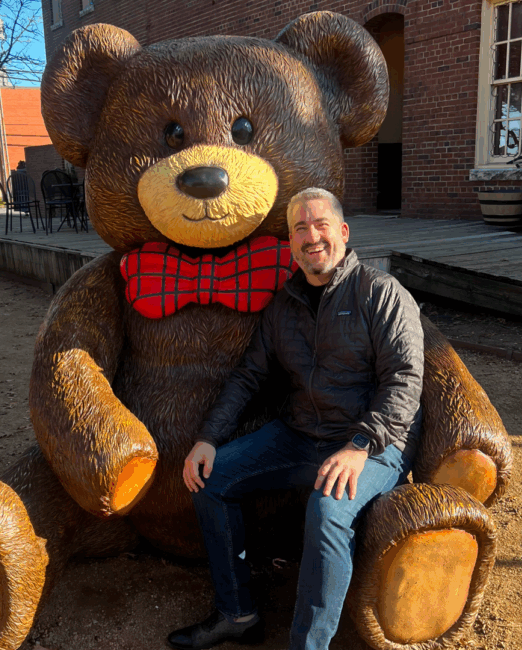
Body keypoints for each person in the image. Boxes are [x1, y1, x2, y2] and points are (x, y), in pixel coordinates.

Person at [167, 188, 424, 650]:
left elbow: (405, 382)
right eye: (300, 228)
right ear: (291, 243)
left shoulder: (381, 294)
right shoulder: (282, 308)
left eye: (320, 224)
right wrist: (208, 437)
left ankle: (309, 646)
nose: (312, 236)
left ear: (342, 232)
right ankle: (237, 614)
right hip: (302, 435)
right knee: (212, 477)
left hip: (375, 447)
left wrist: (359, 447)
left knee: (326, 510)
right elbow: (248, 377)